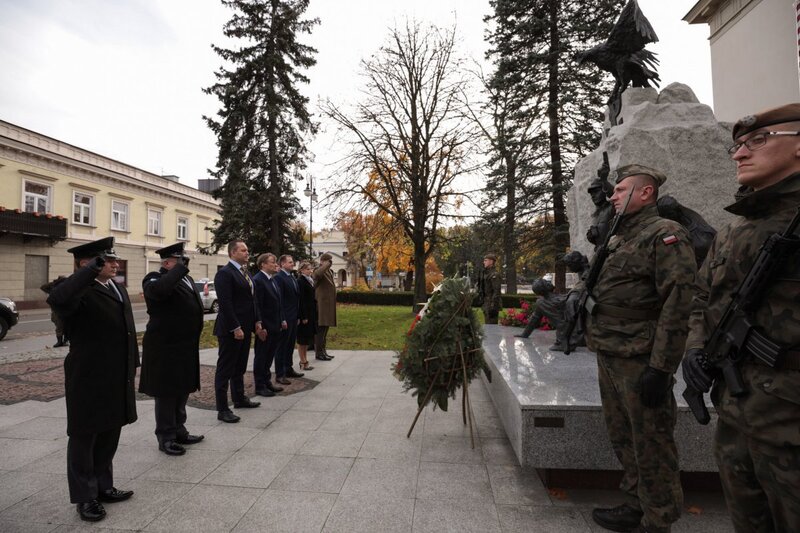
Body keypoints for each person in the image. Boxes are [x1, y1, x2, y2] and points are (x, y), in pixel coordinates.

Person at [681, 103, 800, 532]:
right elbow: (702, 298)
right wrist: (696, 349)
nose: (739, 154)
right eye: (737, 146)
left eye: (758, 141)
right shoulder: (733, 229)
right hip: (737, 415)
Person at [583, 165, 697, 533]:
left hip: (640, 356)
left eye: (620, 190)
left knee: (652, 440)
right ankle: (635, 503)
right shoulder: (620, 236)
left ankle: (659, 518)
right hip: (611, 349)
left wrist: (662, 367)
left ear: (645, 193)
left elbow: (678, 304)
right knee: (623, 435)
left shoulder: (665, 235)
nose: (613, 196)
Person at [46, 237, 137, 522]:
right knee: (85, 435)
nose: (114, 263)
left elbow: (128, 329)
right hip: (88, 374)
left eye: (113, 259)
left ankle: (103, 486)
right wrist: (86, 272)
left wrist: (134, 361)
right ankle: (85, 497)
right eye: (106, 259)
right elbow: (58, 300)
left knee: (110, 430)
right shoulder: (76, 289)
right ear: (86, 263)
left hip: (116, 371)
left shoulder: (116, 287)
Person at [138, 242, 205, 456]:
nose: (184, 264)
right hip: (164, 347)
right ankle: (165, 436)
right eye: (179, 261)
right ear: (167, 263)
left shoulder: (186, 279)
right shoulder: (153, 279)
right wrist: (177, 271)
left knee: (182, 389)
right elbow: (159, 292)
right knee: (166, 393)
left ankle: (179, 430)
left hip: (184, 346)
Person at [213, 239, 260, 424]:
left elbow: (250, 300)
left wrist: (256, 321)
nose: (247, 253)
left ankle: (239, 398)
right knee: (225, 369)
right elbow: (226, 303)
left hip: (246, 327)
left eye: (247, 250)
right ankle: (222, 409)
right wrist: (236, 327)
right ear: (233, 252)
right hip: (231, 329)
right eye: (243, 250)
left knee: (240, 366)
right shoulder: (225, 274)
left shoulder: (244, 272)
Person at [252, 253, 286, 397]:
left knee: (269, 355)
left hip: (275, 325)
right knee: (261, 356)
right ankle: (260, 385)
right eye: (272, 262)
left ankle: (267, 382)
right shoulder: (258, 280)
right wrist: (260, 325)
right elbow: (257, 305)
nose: (275, 264)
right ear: (263, 265)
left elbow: (278, 303)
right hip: (265, 326)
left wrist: (282, 319)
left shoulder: (272, 280)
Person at [274, 254, 305, 385]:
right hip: (285, 317)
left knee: (290, 344)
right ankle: (280, 373)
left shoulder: (291, 277)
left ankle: (288, 368)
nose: (293, 264)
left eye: (293, 262)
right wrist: (282, 319)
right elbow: (279, 300)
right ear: (282, 264)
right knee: (282, 346)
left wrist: (298, 316)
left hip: (293, 317)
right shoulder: (279, 278)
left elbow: (296, 299)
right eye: (290, 262)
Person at [313, 253, 336, 361]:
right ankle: (318, 352)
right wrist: (325, 265)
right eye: (328, 261)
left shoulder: (328, 271)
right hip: (321, 305)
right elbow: (316, 275)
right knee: (320, 330)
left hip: (328, 305)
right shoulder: (319, 270)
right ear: (323, 261)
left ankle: (323, 350)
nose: (330, 263)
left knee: (325, 329)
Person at [296, 261, 317, 371]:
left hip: (311, 313)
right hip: (305, 314)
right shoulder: (300, 281)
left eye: (311, 269)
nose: (310, 271)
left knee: (306, 339)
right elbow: (301, 300)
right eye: (308, 269)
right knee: (302, 339)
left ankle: (305, 360)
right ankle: (303, 361)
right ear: (302, 270)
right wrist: (303, 316)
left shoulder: (309, 280)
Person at [40, 275, 69, 347]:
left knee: (66, 326)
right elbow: (43, 287)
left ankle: (65, 341)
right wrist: (54, 283)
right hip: (56, 311)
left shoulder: (67, 288)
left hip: (66, 310)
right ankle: (60, 341)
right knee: (59, 326)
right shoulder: (54, 289)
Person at [480, 253, 502, 325]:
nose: (484, 262)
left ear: (491, 262)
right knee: (487, 326)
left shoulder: (494, 275)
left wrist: (493, 305)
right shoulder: (487, 274)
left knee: (492, 328)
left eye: (486, 260)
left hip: (491, 304)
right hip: (487, 303)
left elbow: (496, 291)